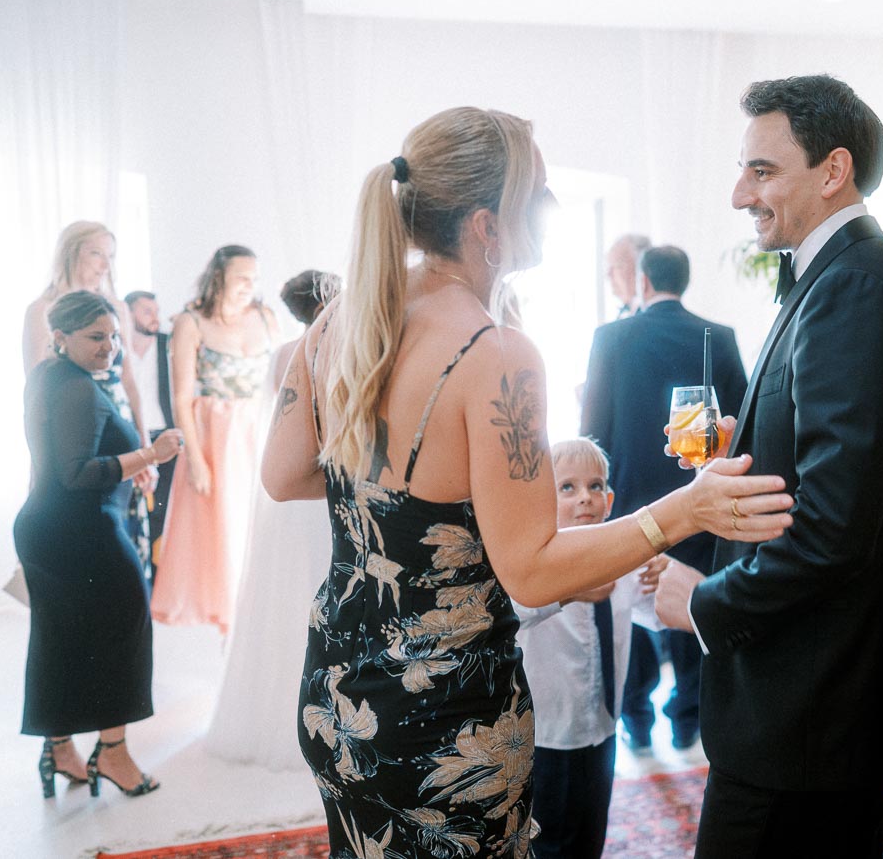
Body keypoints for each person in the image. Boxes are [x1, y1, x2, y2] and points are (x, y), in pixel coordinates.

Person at [260, 106, 793, 858]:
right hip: (448, 721)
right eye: (540, 193)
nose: (553, 209)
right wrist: (686, 507)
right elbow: (534, 570)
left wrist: (417, 497)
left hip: (341, 690)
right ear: (488, 226)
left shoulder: (338, 322)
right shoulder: (498, 354)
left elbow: (285, 476)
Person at [654, 75, 883, 857]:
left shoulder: (858, 286)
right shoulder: (843, 279)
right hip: (810, 709)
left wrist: (706, 605)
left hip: (809, 708)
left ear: (833, 172)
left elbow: (834, 530)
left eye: (761, 171)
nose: (739, 195)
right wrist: (743, 451)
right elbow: (837, 474)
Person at [14, 291, 183, 800]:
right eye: (95, 337)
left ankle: (60, 748)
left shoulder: (48, 376)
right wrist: (150, 454)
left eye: (113, 336)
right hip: (81, 531)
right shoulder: (79, 390)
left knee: (58, 639)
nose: (108, 347)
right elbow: (77, 474)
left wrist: (135, 468)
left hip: (50, 528)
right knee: (123, 632)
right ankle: (112, 753)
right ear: (60, 337)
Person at [581, 244, 748, 752]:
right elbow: (740, 425)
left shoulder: (610, 338)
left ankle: (635, 718)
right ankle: (686, 719)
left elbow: (592, 431)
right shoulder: (717, 337)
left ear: (644, 281)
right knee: (687, 604)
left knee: (631, 611)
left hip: (630, 501)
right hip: (696, 496)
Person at [205, 269, 341, 770]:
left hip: (291, 496)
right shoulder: (335, 348)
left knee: (290, 598)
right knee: (323, 591)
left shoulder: (283, 353)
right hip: (323, 487)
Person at [514, 438, 666, 859]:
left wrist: (663, 574)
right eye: (568, 487)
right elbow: (514, 612)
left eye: (596, 486)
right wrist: (570, 590)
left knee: (590, 834)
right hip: (547, 738)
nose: (585, 497)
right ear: (543, 498)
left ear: (610, 499)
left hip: (603, 728)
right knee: (548, 842)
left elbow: (656, 612)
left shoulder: (622, 557)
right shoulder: (530, 565)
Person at [152, 245, 277, 634]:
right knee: (224, 529)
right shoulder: (191, 322)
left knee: (258, 525)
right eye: (242, 278)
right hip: (215, 440)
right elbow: (181, 397)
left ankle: (257, 617)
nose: (249, 286)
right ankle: (230, 627)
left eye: (254, 279)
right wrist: (195, 459)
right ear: (219, 277)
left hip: (258, 431)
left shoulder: (265, 317)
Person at [23, 222, 155, 575]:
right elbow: (35, 387)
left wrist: (144, 447)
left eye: (110, 255)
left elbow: (129, 379)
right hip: (70, 426)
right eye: (97, 253)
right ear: (70, 253)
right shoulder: (43, 310)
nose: (105, 264)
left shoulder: (116, 307)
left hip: (116, 423)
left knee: (121, 523)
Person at [124, 290, 177, 576]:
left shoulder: (168, 345)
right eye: (146, 311)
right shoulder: (117, 347)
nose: (154, 317)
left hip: (164, 435)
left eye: (156, 311)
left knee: (162, 509)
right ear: (128, 313)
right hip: (130, 437)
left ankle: (156, 577)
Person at [604, 233, 650, 319]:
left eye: (618, 266)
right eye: (609, 267)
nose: (608, 275)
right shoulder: (624, 314)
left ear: (641, 270)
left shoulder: (651, 317)